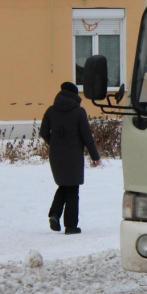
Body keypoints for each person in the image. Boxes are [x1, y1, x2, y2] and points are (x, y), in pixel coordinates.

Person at [39, 81, 101, 234]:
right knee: (72, 188)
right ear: (74, 95)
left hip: (56, 155)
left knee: (63, 185)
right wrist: (95, 155)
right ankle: (71, 226)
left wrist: (54, 143)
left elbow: (43, 132)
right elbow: (86, 136)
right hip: (73, 155)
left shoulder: (51, 111)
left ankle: (54, 214)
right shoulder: (79, 112)